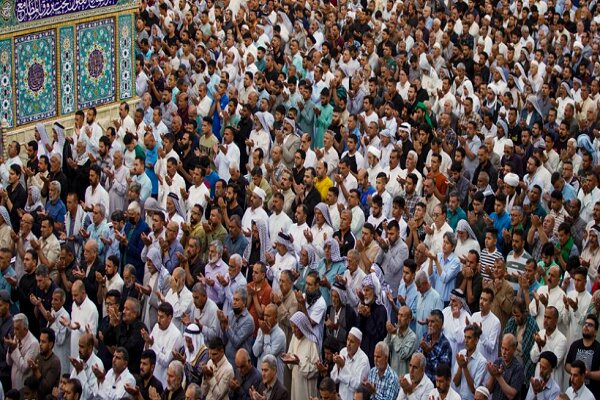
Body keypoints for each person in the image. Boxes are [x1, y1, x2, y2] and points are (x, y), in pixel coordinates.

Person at [141, 302, 184, 387]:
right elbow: (147, 352)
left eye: (162, 317)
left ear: (170, 318)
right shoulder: (156, 327)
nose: (158, 319)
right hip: (151, 376)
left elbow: (166, 361)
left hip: (163, 380)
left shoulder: (176, 335)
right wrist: (146, 342)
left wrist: (152, 344)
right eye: (158, 316)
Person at [282, 311, 320, 400]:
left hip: (306, 386)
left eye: (296, 327)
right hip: (296, 383)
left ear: (302, 327)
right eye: (292, 327)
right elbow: (290, 362)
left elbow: (316, 369)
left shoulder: (312, 342)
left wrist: (299, 363)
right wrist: (288, 358)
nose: (293, 330)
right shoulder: (294, 338)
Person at [330, 327, 370, 400]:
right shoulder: (343, 352)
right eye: (348, 339)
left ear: (359, 344)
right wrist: (338, 366)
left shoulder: (364, 360)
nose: (348, 344)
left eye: (352, 341)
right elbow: (333, 379)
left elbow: (358, 385)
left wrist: (343, 366)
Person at [452, 325, 487, 400]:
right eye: (465, 337)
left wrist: (464, 367)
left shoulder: (482, 362)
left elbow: (474, 390)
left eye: (469, 338)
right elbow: (456, 382)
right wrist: (460, 367)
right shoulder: (461, 354)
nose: (466, 341)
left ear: (476, 340)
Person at [29, 327, 61, 399]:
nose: (40, 344)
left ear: (50, 344)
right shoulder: (38, 357)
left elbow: (45, 388)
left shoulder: (55, 362)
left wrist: (37, 372)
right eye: (40, 341)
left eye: (43, 342)